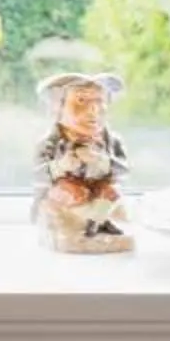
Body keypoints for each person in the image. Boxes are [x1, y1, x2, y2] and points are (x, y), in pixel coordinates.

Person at [34, 71, 133, 253]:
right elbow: (39, 174)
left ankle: (96, 225)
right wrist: (62, 165)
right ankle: (74, 228)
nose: (93, 110)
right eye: (81, 101)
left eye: (99, 101)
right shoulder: (49, 143)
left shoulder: (112, 141)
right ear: (58, 107)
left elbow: (124, 171)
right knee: (72, 193)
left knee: (110, 192)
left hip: (99, 192)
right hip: (67, 197)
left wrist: (102, 162)